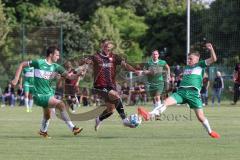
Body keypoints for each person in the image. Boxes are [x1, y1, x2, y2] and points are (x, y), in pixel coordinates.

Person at [150, 43, 220, 139]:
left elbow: (213, 59)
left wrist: (211, 49)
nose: (188, 60)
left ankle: (210, 132)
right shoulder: (187, 67)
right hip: (181, 92)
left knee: (200, 117)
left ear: (197, 59)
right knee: (165, 102)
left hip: (193, 94)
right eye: (188, 58)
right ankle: (150, 114)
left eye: (190, 58)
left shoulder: (201, 65)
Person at [12, 46, 83, 138]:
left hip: (49, 94)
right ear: (51, 54)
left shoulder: (56, 67)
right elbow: (22, 64)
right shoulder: (39, 63)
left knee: (47, 115)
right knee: (61, 104)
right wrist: (16, 78)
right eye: (57, 55)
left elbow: (69, 76)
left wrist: (78, 75)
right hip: (39, 95)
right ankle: (73, 128)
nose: (58, 57)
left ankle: (43, 131)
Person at [79, 39, 141, 131]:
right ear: (101, 46)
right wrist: (84, 62)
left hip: (111, 86)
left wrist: (135, 71)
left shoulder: (115, 57)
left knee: (111, 110)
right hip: (99, 86)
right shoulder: (95, 57)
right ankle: (124, 120)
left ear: (111, 46)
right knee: (116, 96)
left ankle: (99, 119)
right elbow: (82, 63)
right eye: (105, 45)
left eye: (108, 45)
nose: (107, 47)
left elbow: (125, 65)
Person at [143, 50, 170, 116]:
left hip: (160, 82)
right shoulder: (148, 63)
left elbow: (168, 68)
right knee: (154, 99)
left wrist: (168, 76)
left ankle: (158, 113)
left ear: (158, 55)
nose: (155, 55)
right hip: (151, 83)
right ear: (152, 55)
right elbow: (144, 71)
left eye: (156, 54)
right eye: (154, 54)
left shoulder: (162, 62)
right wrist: (149, 72)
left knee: (157, 97)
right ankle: (156, 112)